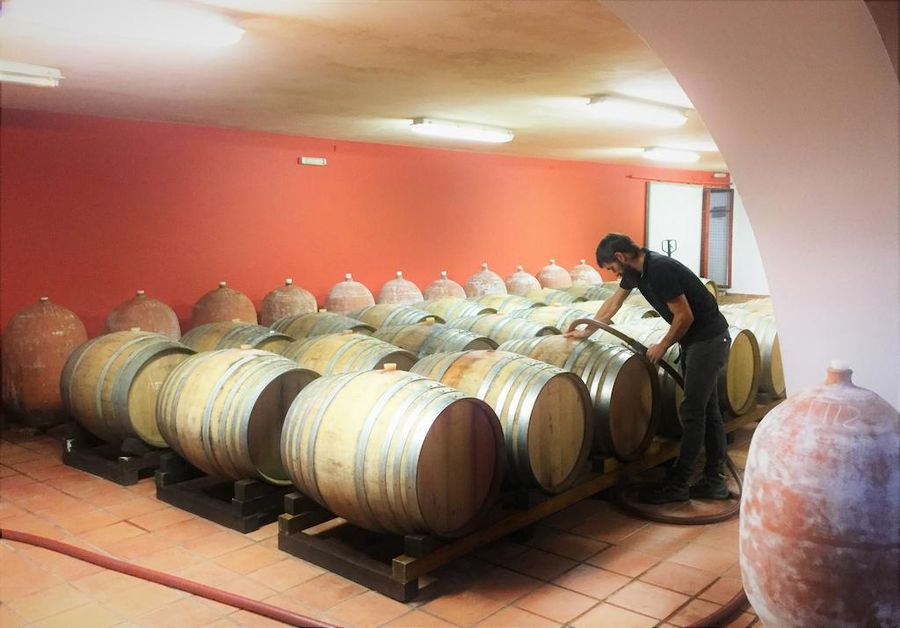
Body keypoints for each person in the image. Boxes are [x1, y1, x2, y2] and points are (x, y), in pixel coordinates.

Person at [567, 233, 731, 503]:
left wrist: (663, 345)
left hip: (708, 341)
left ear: (620, 257)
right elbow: (614, 302)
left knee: (692, 412)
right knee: (708, 411)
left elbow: (684, 315)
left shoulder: (660, 269)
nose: (612, 273)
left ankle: (678, 484)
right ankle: (715, 481)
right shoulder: (636, 271)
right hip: (697, 341)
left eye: (611, 267)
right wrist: (588, 329)